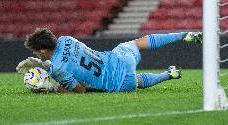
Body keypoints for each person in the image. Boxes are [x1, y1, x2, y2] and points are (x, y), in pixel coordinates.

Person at [16, 28, 202, 93]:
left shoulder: (57, 70)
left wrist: (53, 87)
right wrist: (44, 64)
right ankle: (183, 35)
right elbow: (69, 59)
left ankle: (169, 74)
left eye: (36, 52)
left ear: (41, 50)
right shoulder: (66, 39)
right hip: (120, 59)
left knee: (135, 81)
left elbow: (79, 89)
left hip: (121, 84)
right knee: (139, 44)